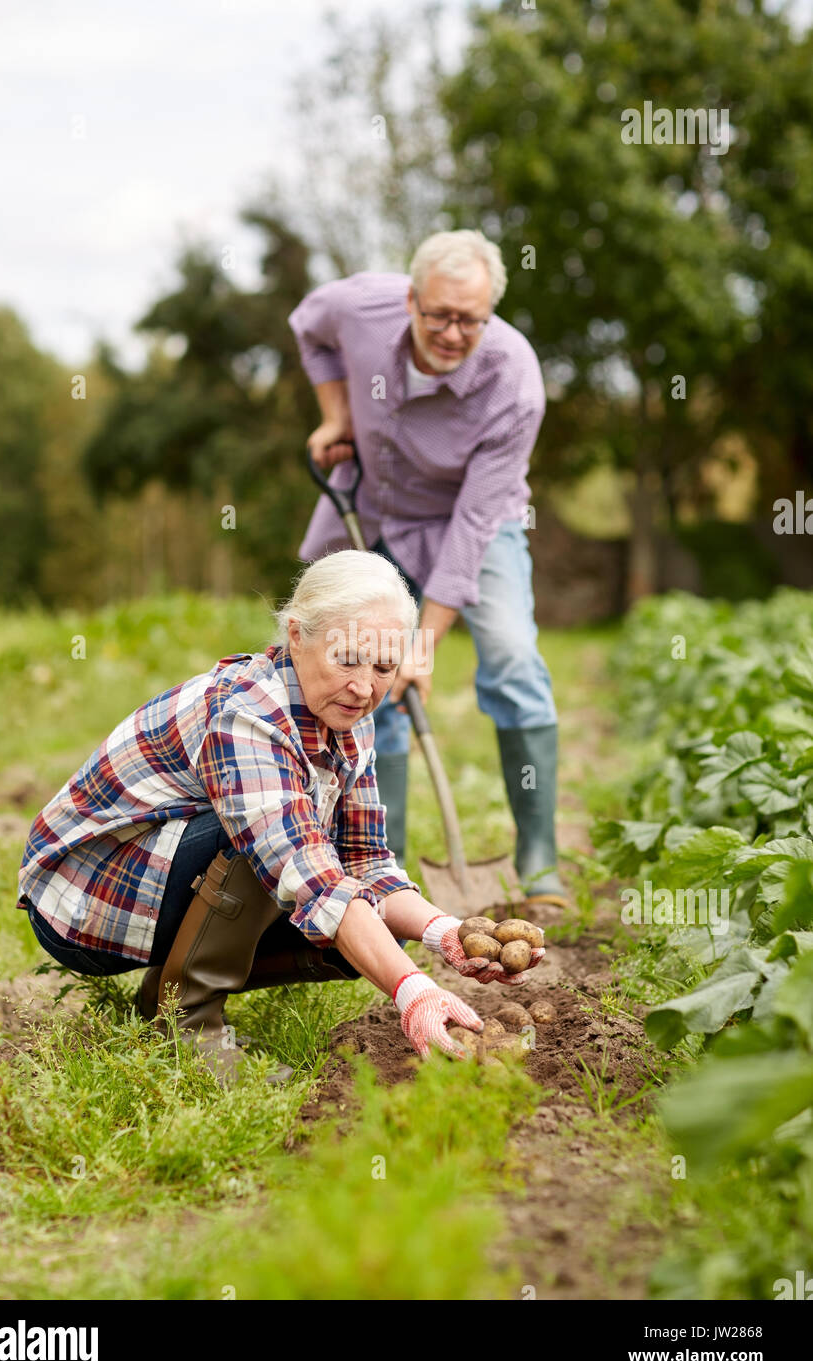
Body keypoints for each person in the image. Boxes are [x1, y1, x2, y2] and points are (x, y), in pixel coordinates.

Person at [16, 551, 545, 1086]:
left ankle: (165, 992)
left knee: (378, 924)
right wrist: (412, 992)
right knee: (278, 843)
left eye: (384, 667)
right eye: (348, 659)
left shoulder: (345, 713)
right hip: (88, 896)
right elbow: (304, 868)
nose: (365, 687)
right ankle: (186, 1028)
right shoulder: (247, 713)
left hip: (159, 881)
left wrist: (445, 932)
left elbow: (365, 861)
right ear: (297, 635)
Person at [289, 228, 569, 906]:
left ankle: (537, 857)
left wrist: (426, 639)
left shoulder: (515, 380)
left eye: (469, 320)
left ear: (490, 314)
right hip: (379, 509)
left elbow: (475, 523)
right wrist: (334, 415)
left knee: (511, 655)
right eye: (438, 314)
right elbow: (308, 326)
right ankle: (383, 865)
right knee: (364, 671)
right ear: (411, 297)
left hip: (476, 519)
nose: (451, 332)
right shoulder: (362, 307)